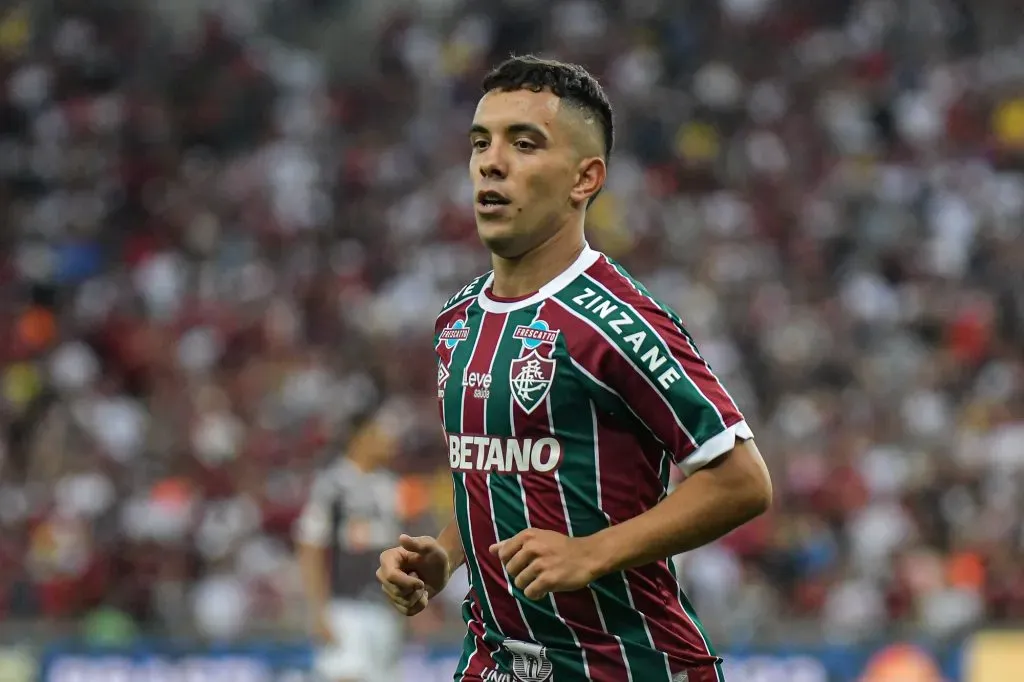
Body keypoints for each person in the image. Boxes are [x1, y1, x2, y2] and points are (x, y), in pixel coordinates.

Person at [377, 55, 773, 682]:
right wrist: (446, 556)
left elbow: (743, 481)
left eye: (524, 143)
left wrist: (592, 553)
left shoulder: (617, 322)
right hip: (496, 663)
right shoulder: (456, 322)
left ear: (584, 179)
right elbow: (497, 471)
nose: (491, 161)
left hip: (627, 666)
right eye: (481, 142)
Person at [296, 417, 405, 682]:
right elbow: (310, 549)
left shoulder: (389, 486)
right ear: (359, 439)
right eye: (380, 434)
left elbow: (397, 549)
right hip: (345, 608)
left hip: (383, 608)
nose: (389, 442)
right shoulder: (332, 484)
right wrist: (318, 611)